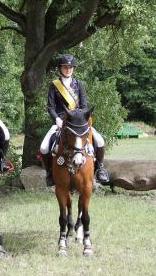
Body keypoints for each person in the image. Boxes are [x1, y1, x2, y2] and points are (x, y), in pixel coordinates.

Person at [40, 54, 110, 186]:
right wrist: (56, 119)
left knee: (100, 141)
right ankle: (49, 173)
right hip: (61, 121)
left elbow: (84, 106)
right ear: (60, 69)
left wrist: (82, 119)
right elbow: (50, 107)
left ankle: (100, 168)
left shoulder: (79, 84)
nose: (68, 70)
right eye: (65, 67)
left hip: (78, 122)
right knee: (44, 147)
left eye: (70, 67)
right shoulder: (54, 85)